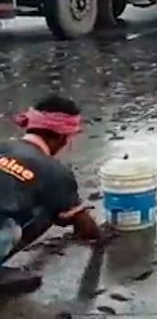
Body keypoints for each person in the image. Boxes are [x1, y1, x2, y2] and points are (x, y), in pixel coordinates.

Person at [1, 96, 103, 292]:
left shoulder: (2, 146)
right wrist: (98, 236)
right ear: (62, 137)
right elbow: (84, 223)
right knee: (51, 210)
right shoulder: (55, 171)